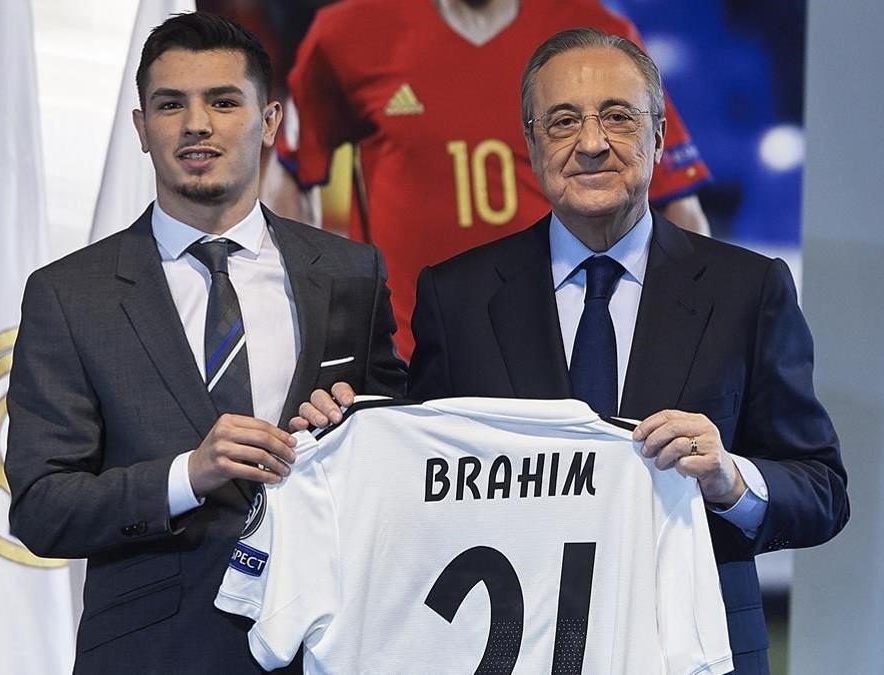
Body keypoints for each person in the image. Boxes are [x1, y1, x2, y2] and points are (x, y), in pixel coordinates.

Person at [296, 28, 848, 674]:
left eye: (617, 116)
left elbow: (823, 489)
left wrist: (732, 479)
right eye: (563, 122)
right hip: (508, 653)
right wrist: (347, 440)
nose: (591, 143)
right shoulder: (457, 297)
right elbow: (422, 487)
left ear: (661, 134)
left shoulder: (749, 290)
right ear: (530, 144)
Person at [4, 13, 405, 673]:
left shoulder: (351, 272)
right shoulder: (70, 294)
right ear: (142, 128)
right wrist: (186, 474)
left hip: (330, 645)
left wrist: (354, 425)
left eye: (223, 101)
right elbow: (43, 508)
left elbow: (397, 448)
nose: (197, 123)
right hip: (153, 653)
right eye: (170, 104)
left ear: (270, 120)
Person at [263, 0, 713, 358]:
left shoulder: (592, 31)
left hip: (570, 354)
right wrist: (316, 327)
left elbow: (676, 204)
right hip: (403, 357)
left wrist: (688, 343)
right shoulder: (347, 33)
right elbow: (292, 172)